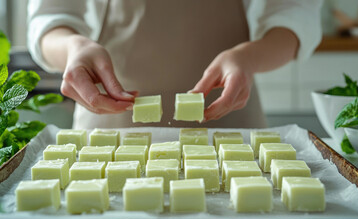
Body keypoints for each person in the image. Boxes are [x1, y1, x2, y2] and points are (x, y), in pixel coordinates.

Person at [27, 0, 323, 129]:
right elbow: (50, 18)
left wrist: (247, 58)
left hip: (230, 119)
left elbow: (294, 14)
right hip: (108, 123)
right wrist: (72, 48)